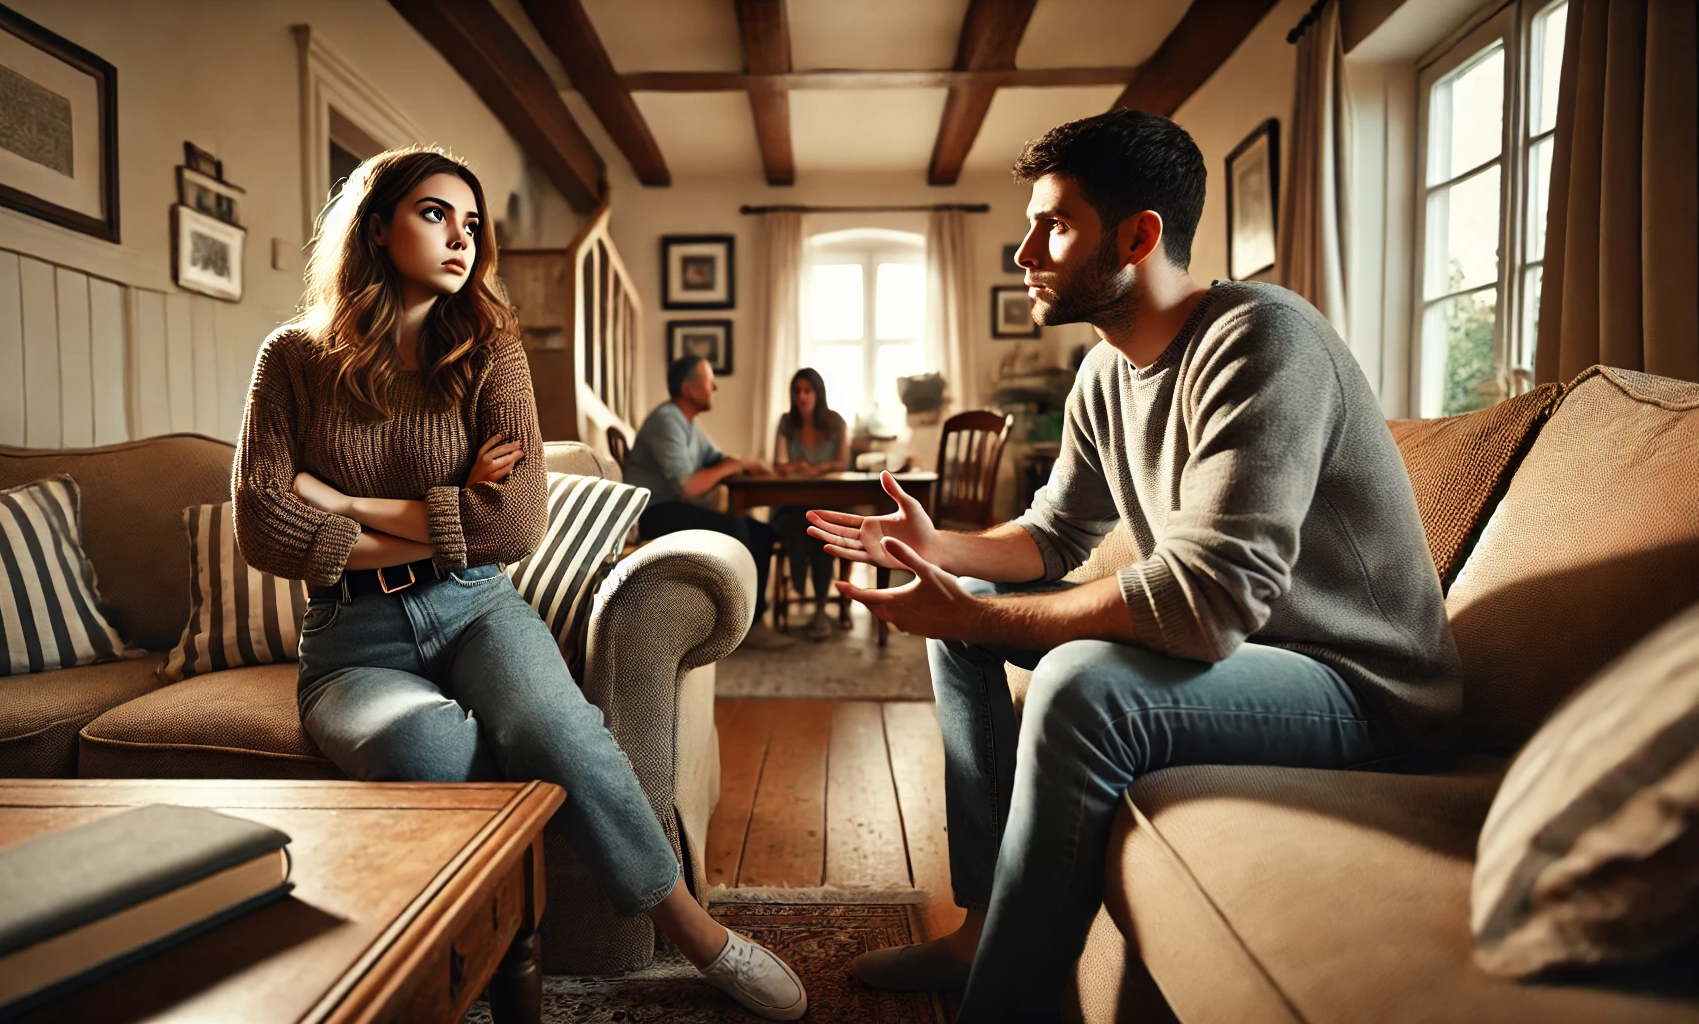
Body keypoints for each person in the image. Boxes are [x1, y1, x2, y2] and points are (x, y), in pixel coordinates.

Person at [808, 111, 1460, 1021]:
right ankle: (982, 924)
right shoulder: (1105, 374)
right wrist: (937, 551)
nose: (1025, 249)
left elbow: (1208, 600)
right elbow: (1052, 537)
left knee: (1078, 682)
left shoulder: (1263, 340)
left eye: (1056, 224)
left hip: (1355, 687)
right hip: (1239, 659)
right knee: (970, 609)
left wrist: (977, 616)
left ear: (1139, 235)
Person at [232, 146, 805, 1021]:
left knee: (553, 725)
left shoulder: (491, 351)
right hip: (352, 641)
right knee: (422, 750)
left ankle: (696, 934)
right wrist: (443, 511)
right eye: (434, 215)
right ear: (378, 228)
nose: (460, 237)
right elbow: (264, 525)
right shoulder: (292, 360)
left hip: (478, 608)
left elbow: (512, 527)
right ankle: (482, 948)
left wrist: (346, 503)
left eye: (470, 222)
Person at [623, 356, 795, 649]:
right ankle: (739, 625)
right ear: (688, 388)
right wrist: (733, 467)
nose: (714, 386)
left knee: (763, 534)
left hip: (675, 509)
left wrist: (744, 463)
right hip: (656, 513)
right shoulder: (668, 420)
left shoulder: (689, 423)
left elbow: (717, 459)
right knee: (738, 530)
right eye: (707, 379)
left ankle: (752, 621)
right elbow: (688, 487)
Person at [770, 368, 849, 641]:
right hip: (791, 507)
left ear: (818, 393)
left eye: (807, 391)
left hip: (825, 508)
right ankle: (802, 589)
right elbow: (778, 465)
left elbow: (843, 462)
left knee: (820, 528)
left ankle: (817, 607)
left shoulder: (835, 421)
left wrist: (818, 469)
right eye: (797, 391)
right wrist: (795, 467)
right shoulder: (785, 422)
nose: (802, 396)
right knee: (801, 522)